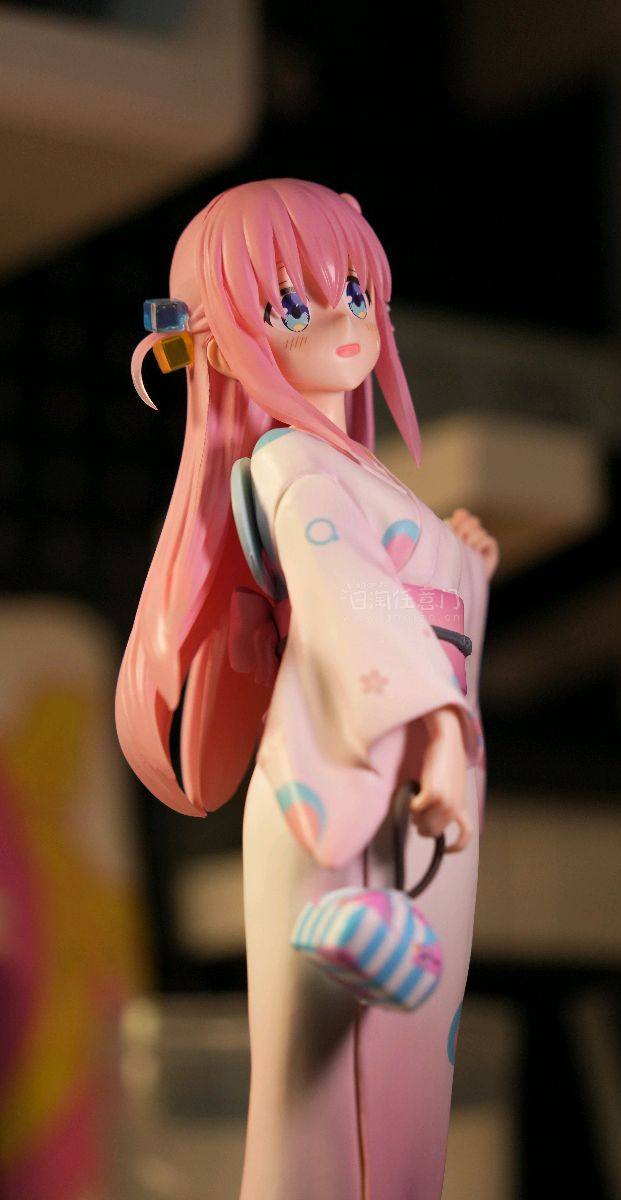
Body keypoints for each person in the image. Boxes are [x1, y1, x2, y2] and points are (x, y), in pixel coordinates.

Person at [115, 178, 499, 1199]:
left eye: (355, 294)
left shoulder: (355, 472)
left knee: (409, 1084)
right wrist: (432, 727)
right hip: (357, 773)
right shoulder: (293, 465)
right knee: (332, 1107)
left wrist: (466, 569)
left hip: (415, 775)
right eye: (291, 305)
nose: (341, 322)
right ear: (226, 332)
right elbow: (349, 603)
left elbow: (422, 609)